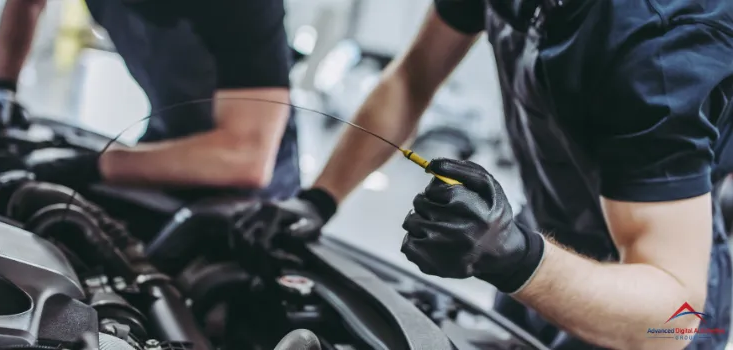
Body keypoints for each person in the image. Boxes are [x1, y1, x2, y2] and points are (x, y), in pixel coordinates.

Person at [279, 0, 733, 348]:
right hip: (541, 243)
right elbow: (413, 76)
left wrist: (517, 257)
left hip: (643, 304)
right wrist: (319, 198)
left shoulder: (659, 53)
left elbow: (677, 312)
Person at [0, 0, 300, 201]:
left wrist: (94, 166)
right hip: (163, 140)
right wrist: (3, 85)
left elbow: (245, 157)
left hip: (250, 188)